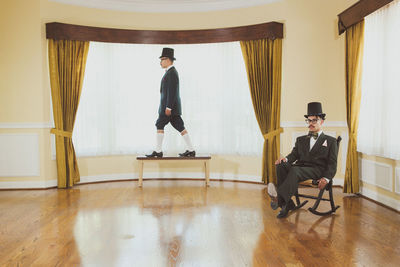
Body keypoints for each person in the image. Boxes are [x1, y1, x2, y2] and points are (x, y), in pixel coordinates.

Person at [268, 102, 338, 218]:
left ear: (322, 121)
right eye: (309, 120)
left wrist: (326, 178)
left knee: (295, 171)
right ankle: (286, 204)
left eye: (314, 120)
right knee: (281, 165)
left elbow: (332, 164)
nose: (311, 123)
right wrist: (285, 159)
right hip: (301, 168)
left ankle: (279, 199)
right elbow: (293, 155)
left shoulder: (331, 141)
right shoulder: (301, 140)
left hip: (317, 170)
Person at [146, 47, 195, 158]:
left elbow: (172, 91)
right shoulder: (170, 72)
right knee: (180, 126)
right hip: (171, 108)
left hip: (169, 108)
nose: (160, 62)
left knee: (159, 124)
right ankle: (191, 150)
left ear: (168, 60)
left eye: (162, 59)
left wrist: (168, 107)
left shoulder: (172, 73)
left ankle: (158, 151)